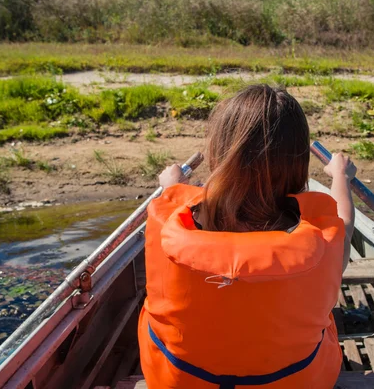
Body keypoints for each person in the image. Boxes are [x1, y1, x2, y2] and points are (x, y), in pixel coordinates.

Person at [138, 84, 357, 389]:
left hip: (180, 381)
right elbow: (345, 223)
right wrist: (341, 179)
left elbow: (176, 201)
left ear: (218, 151)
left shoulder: (165, 225)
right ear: (296, 161)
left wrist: (171, 187)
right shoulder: (324, 239)